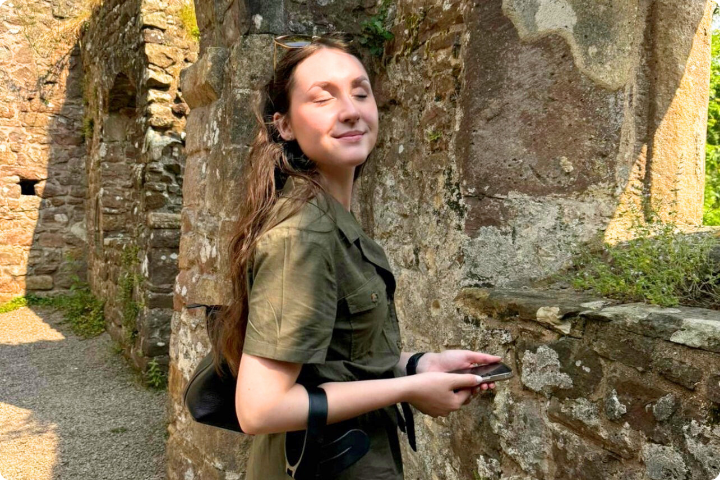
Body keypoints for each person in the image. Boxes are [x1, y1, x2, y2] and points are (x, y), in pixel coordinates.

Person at [211, 34, 502, 479]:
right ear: (284, 125)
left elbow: (338, 362)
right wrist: (410, 388)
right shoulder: (303, 234)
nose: (351, 110)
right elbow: (261, 409)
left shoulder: (332, 216)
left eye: (360, 92)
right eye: (323, 98)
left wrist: (421, 364)